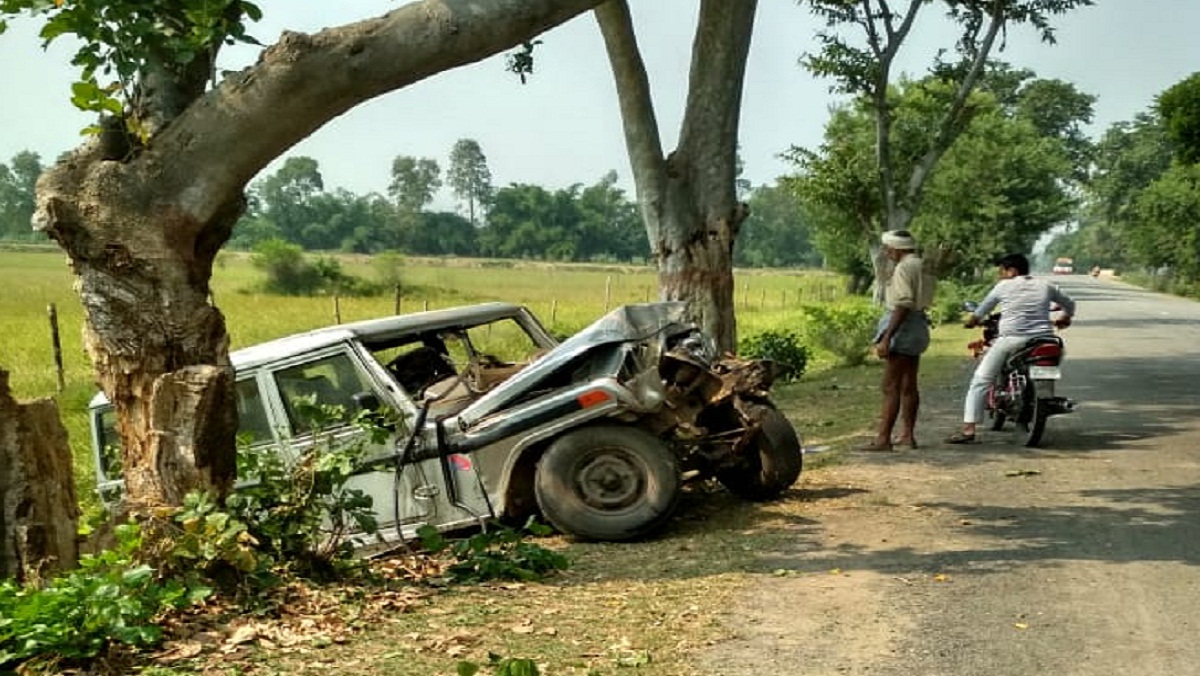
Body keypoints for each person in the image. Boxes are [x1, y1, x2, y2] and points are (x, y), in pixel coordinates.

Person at [946, 253, 1076, 444]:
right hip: (1045, 338)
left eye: (1002, 271)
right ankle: (1046, 396)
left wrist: (971, 322)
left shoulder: (1004, 286)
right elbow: (1069, 303)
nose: (1001, 275)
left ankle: (968, 430)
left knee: (980, 380)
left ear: (1012, 270)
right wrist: (1065, 318)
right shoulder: (1046, 285)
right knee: (1053, 358)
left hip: (1011, 339)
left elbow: (981, 311)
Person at [862, 230, 936, 451]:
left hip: (903, 327)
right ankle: (907, 435)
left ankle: (883, 439)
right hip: (919, 325)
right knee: (908, 385)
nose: (886, 252)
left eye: (888, 248)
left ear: (896, 248)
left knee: (890, 385)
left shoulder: (904, 268)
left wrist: (887, 336)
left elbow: (903, 303)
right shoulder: (924, 265)